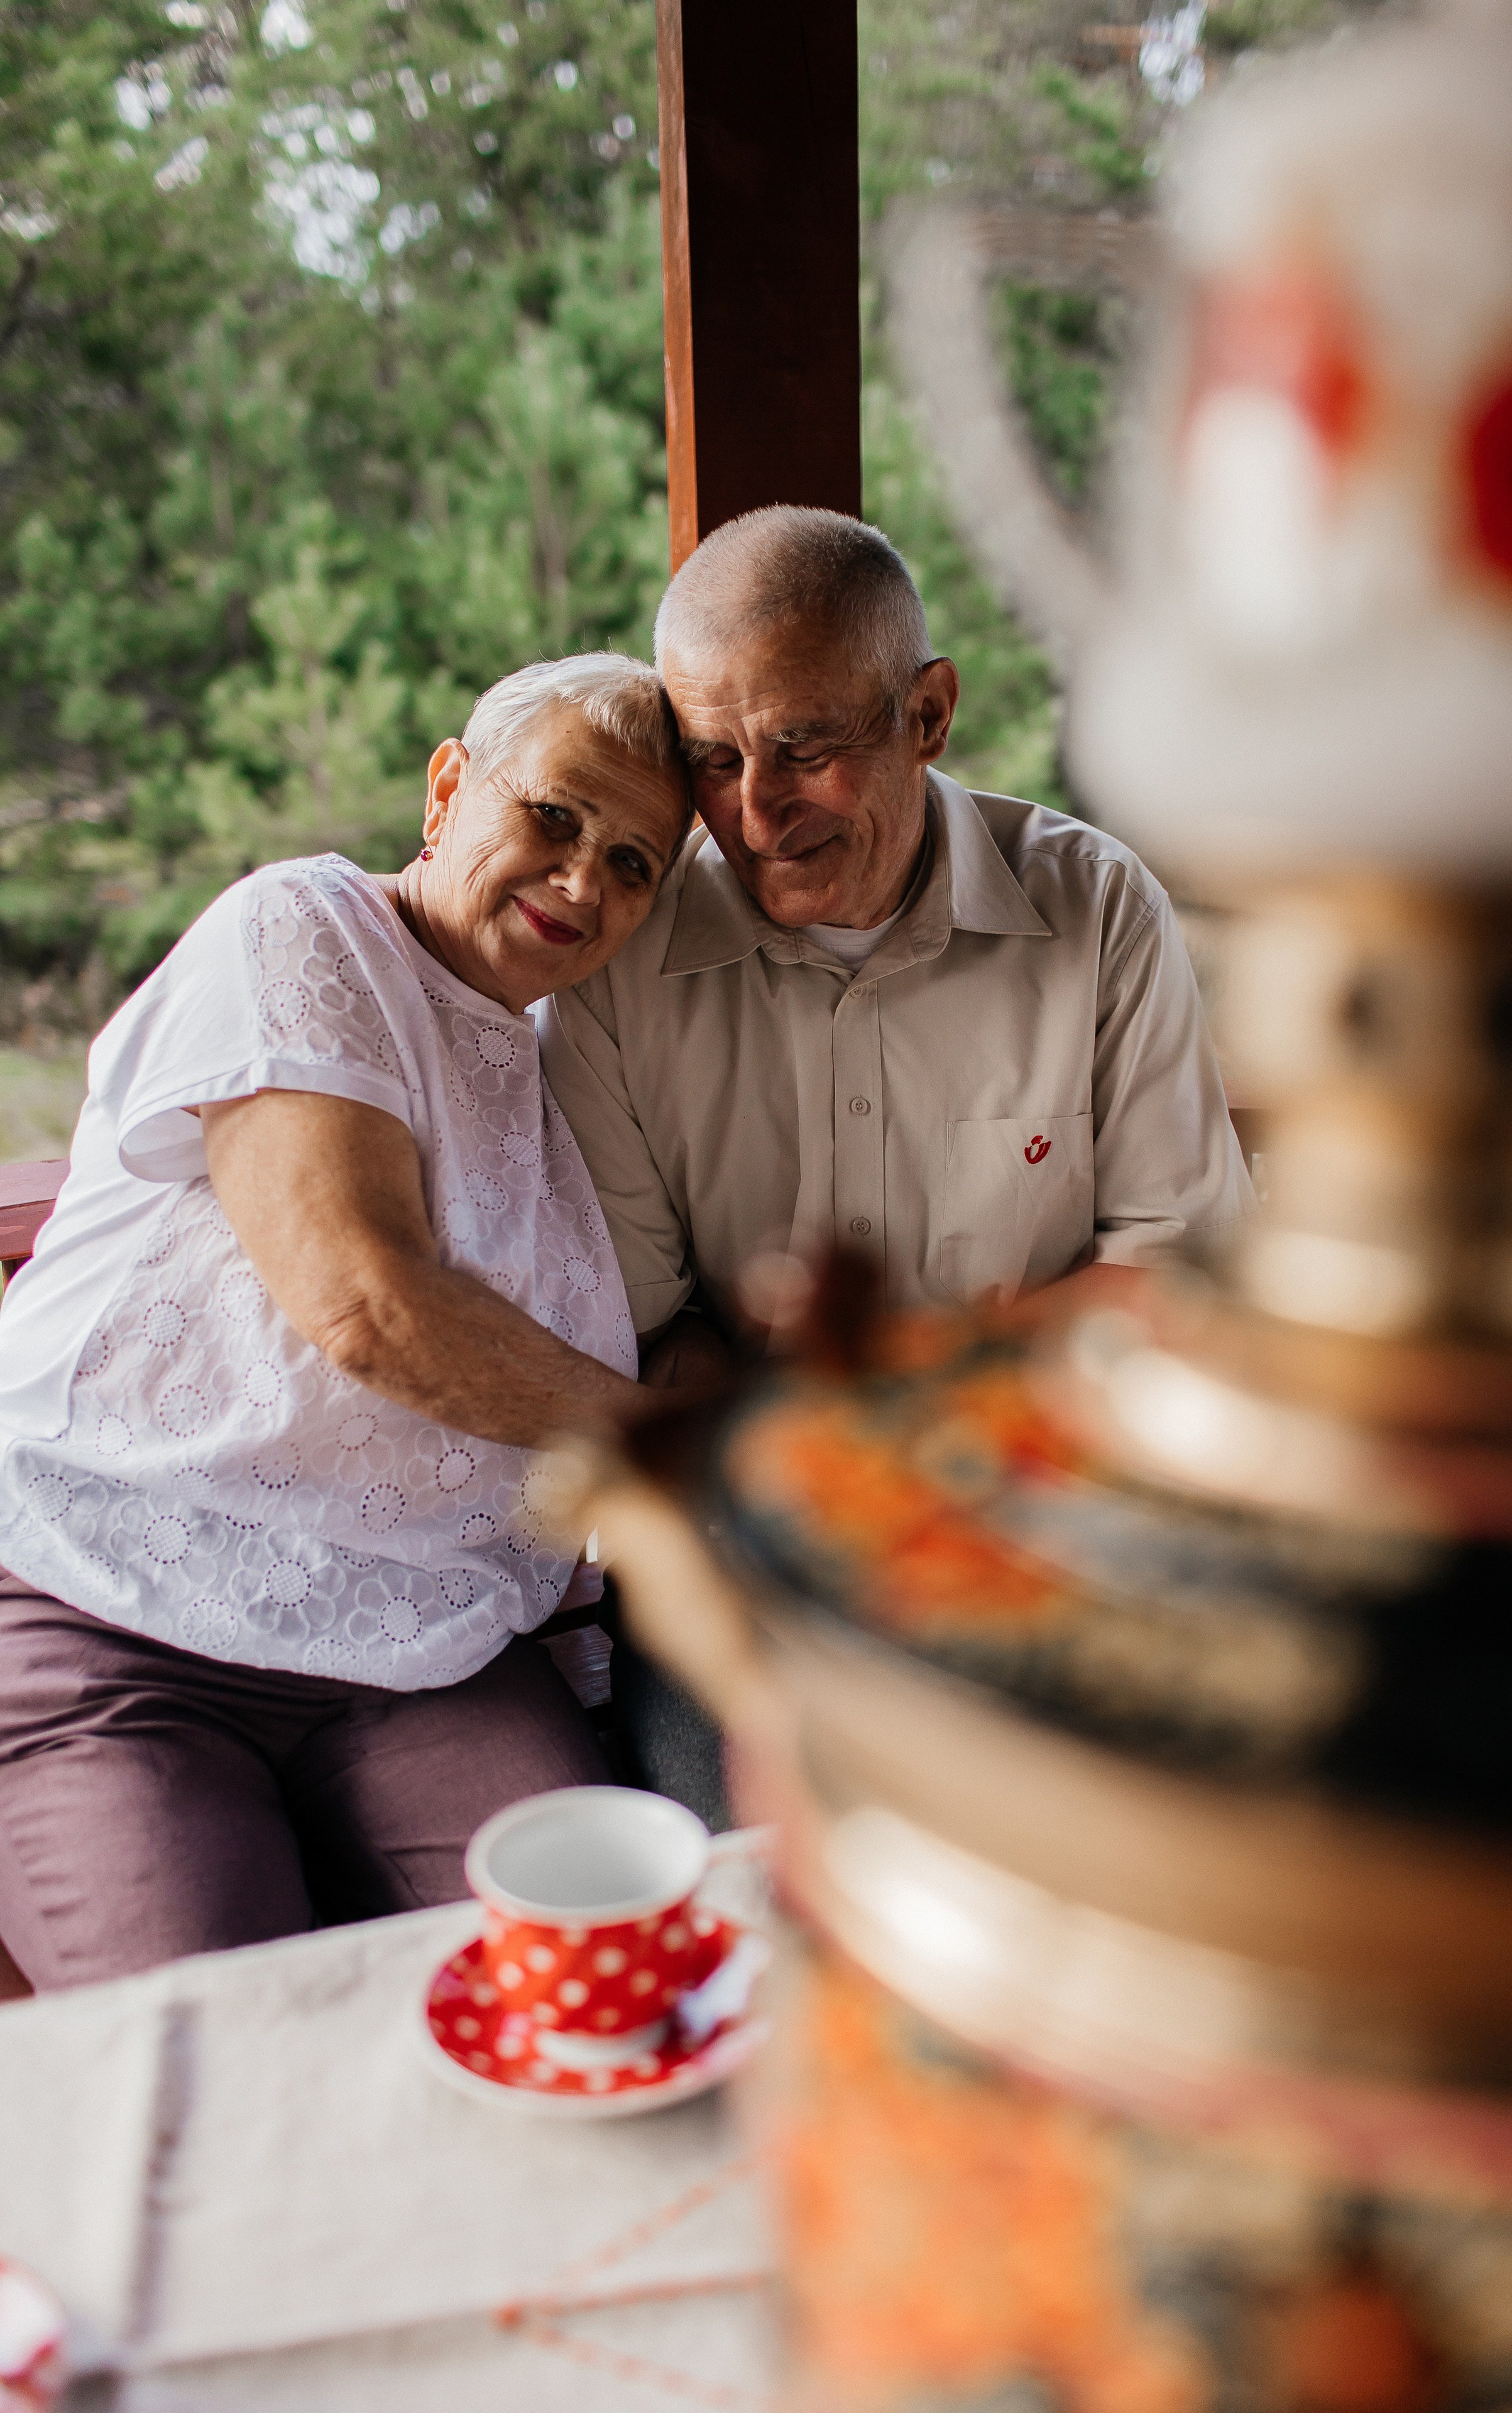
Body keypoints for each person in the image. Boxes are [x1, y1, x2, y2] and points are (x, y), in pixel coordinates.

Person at [537, 508, 1255, 1818]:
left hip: (1054, 1524)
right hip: (754, 1548)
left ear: (925, 716)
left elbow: (1171, 1276)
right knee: (750, 1868)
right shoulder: (618, 975)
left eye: (802, 746)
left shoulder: (1094, 913)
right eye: (711, 758)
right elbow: (648, 1332)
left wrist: (936, 1433)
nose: (755, 813)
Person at [0, 655, 698, 1990]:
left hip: (415, 1644)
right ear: (447, 788)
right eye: (552, 818)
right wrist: (686, 1444)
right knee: (220, 2052)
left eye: (630, 865)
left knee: (606, 1979)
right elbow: (367, 1305)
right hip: (111, 1603)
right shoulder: (301, 928)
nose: (579, 881)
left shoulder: (562, 1060)